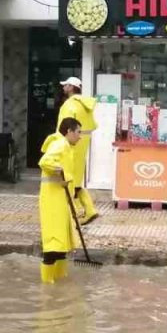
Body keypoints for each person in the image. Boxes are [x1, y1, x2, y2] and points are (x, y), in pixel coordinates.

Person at [38, 117, 83, 283]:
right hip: (52, 201)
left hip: (61, 199)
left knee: (63, 242)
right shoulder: (60, 144)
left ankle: (58, 279)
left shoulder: (67, 146)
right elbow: (45, 162)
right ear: (69, 131)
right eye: (78, 132)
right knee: (54, 243)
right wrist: (61, 171)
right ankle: (47, 285)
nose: (80, 136)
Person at [57, 77, 99, 225]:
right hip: (83, 143)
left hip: (71, 144)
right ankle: (89, 209)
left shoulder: (70, 105)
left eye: (65, 85)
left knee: (68, 178)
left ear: (71, 87)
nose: (63, 87)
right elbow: (93, 125)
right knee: (76, 179)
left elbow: (64, 127)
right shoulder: (85, 104)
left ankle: (73, 214)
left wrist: (57, 143)